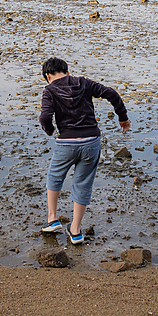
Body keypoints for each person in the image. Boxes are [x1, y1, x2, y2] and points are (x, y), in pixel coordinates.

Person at [38, 57, 130, 245]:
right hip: (91, 141)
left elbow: (45, 116)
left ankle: (52, 218)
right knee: (83, 183)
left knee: (54, 176)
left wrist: (50, 130)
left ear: (47, 76)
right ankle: (76, 230)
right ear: (67, 71)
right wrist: (123, 117)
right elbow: (111, 93)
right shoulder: (83, 82)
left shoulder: (50, 90)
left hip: (66, 142)